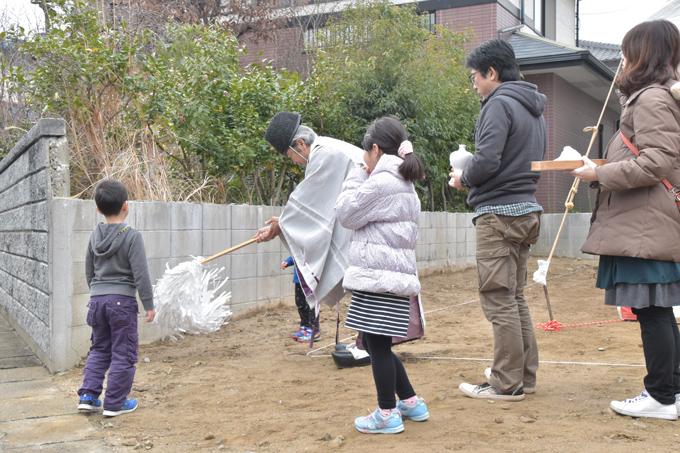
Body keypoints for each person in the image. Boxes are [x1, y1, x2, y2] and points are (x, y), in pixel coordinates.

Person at [568, 20, 680, 421]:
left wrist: (598, 174)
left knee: (651, 309)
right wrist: (599, 167)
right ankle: (670, 392)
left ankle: (663, 396)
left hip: (644, 224)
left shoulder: (651, 99)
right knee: (657, 309)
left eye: (628, 51)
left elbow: (656, 162)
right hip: (645, 222)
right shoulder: (654, 97)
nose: (623, 60)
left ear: (644, 55)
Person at [450, 38, 546, 401]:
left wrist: (463, 178)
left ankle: (506, 383)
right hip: (527, 209)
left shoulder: (497, 104)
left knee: (498, 299)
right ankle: (524, 376)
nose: (473, 82)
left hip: (499, 213)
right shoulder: (533, 107)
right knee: (515, 298)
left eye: (474, 75)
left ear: (492, 73)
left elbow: (488, 161)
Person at [335, 115, 429, 434]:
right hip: (392, 276)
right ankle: (411, 402)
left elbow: (346, 213)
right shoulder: (405, 182)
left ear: (375, 150)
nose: (364, 159)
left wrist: (356, 177)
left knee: (376, 346)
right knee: (380, 344)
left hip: (377, 276)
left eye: (365, 153)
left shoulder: (381, 180)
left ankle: (387, 413)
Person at [255, 112, 364, 341]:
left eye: (289, 155)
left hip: (367, 220)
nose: (292, 161)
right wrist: (283, 222)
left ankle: (370, 339)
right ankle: (368, 338)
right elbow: (310, 205)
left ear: (301, 144)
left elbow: (309, 203)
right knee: (361, 281)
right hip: (362, 219)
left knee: (364, 281)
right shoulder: (325, 150)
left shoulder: (324, 155)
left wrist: (281, 225)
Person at [77, 179, 156, 417]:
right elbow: (140, 274)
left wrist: (98, 294)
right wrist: (149, 304)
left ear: (99, 209)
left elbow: (89, 271)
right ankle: (115, 402)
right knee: (124, 352)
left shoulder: (94, 235)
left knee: (99, 349)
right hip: (122, 303)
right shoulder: (132, 236)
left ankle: (88, 397)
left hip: (97, 301)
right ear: (126, 206)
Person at [282, 256, 319, 342]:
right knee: (300, 304)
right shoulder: (298, 243)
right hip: (298, 279)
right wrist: (288, 261)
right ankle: (305, 326)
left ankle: (314, 329)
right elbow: (296, 253)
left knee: (312, 305)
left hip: (310, 279)